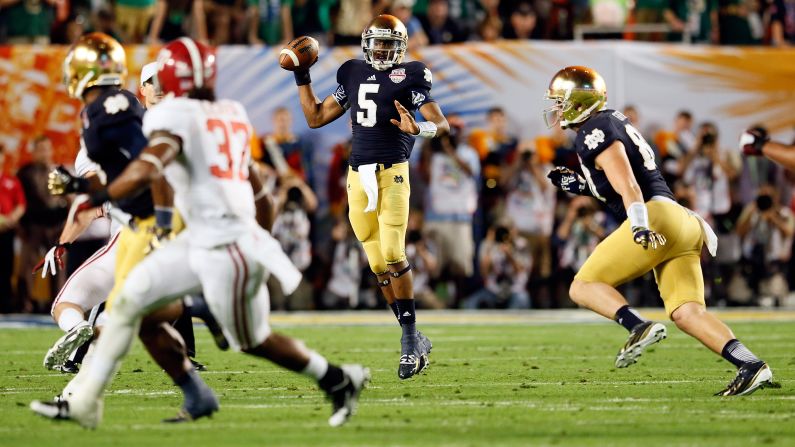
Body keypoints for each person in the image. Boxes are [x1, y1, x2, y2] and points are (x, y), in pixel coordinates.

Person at [31, 37, 369, 428]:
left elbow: (148, 169)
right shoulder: (232, 112)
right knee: (133, 309)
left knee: (250, 338)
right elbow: (261, 192)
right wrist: (260, 238)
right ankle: (93, 401)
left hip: (221, 245)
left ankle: (332, 375)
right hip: (213, 239)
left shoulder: (167, 116)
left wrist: (87, 190)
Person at [544, 65, 773, 396]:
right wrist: (581, 185)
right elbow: (620, 182)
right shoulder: (610, 122)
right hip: (680, 221)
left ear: (579, 101)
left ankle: (637, 326)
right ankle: (751, 365)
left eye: (560, 100)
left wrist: (639, 228)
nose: (557, 108)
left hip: (654, 217)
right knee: (687, 313)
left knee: (582, 286)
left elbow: (630, 187)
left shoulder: (593, 130)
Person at [31, 33, 225, 418]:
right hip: (147, 223)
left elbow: (145, 173)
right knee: (124, 321)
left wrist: (163, 223)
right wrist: (76, 186)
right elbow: (112, 184)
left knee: (112, 317)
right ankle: (194, 387)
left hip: (147, 224)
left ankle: (80, 401)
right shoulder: (143, 113)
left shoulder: (109, 115)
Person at [288, 14, 449, 379]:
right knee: (377, 265)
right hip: (356, 177)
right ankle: (414, 336)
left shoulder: (412, 73)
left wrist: (419, 127)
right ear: (365, 42)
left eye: (389, 44)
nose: (382, 49)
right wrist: (302, 76)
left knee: (394, 252)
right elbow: (315, 117)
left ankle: (409, 340)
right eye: (377, 42)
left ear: (401, 47)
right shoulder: (351, 71)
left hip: (392, 173)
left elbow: (441, 123)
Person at [0, 145, 26, 313]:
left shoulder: (12, 181)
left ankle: (5, 304)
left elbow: (21, 204)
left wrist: (10, 219)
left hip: (6, 231)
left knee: (6, 267)